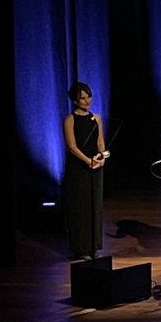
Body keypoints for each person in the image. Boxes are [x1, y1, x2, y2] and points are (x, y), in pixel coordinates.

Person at [62, 81, 106, 260]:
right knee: (80, 207)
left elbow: (100, 142)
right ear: (75, 100)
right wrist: (88, 161)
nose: (87, 101)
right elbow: (72, 146)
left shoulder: (96, 118)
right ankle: (81, 248)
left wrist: (102, 158)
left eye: (89, 97)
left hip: (95, 165)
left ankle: (94, 246)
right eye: (82, 98)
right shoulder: (70, 120)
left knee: (95, 206)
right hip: (78, 167)